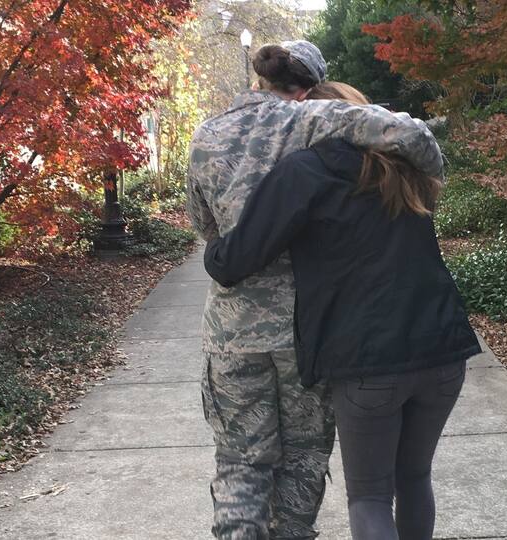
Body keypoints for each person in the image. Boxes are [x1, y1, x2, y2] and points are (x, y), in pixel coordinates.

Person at [202, 81, 482, 540]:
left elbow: (236, 260)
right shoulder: (403, 168)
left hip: (368, 362)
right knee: (414, 478)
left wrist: (212, 248)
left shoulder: (306, 170)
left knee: (370, 496)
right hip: (444, 351)